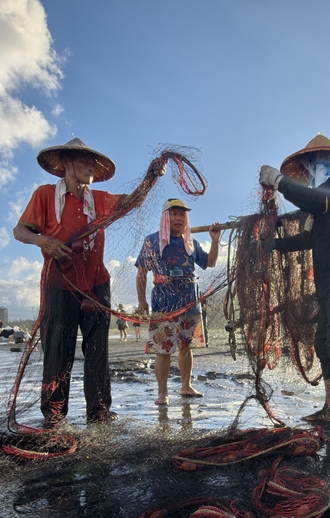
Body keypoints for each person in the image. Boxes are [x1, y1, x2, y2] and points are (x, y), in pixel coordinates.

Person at [13, 137, 165, 427]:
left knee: (97, 350)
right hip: (58, 284)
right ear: (67, 163)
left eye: (95, 163)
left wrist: (151, 178)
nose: (92, 167)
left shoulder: (98, 199)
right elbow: (19, 230)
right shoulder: (45, 195)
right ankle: (54, 415)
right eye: (85, 161)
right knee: (58, 350)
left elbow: (132, 202)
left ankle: (98, 411)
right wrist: (41, 240)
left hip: (96, 285)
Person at [259, 134, 330, 442]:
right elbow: (308, 239)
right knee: (323, 344)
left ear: (329, 160)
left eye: (313, 165)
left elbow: (316, 200)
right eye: (307, 168)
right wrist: (275, 244)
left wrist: (280, 181)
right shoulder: (321, 201)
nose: (310, 172)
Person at [136, 198, 220, 405]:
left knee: (186, 346)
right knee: (163, 348)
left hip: (190, 301)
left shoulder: (190, 242)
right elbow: (141, 272)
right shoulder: (152, 241)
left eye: (182, 214)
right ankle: (162, 393)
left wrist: (215, 240)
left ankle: (186, 386)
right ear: (166, 217)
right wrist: (142, 302)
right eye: (174, 214)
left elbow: (209, 263)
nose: (178, 218)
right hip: (164, 302)